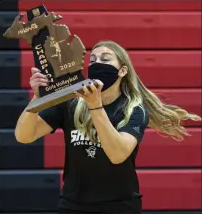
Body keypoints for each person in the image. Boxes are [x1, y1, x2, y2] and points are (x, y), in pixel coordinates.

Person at [15, 41, 201, 214]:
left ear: (122, 71)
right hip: (73, 204)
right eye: (93, 60)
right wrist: (37, 99)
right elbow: (24, 136)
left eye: (105, 59)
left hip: (119, 205)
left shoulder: (134, 109)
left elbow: (117, 154)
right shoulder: (71, 103)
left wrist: (95, 106)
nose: (97, 64)